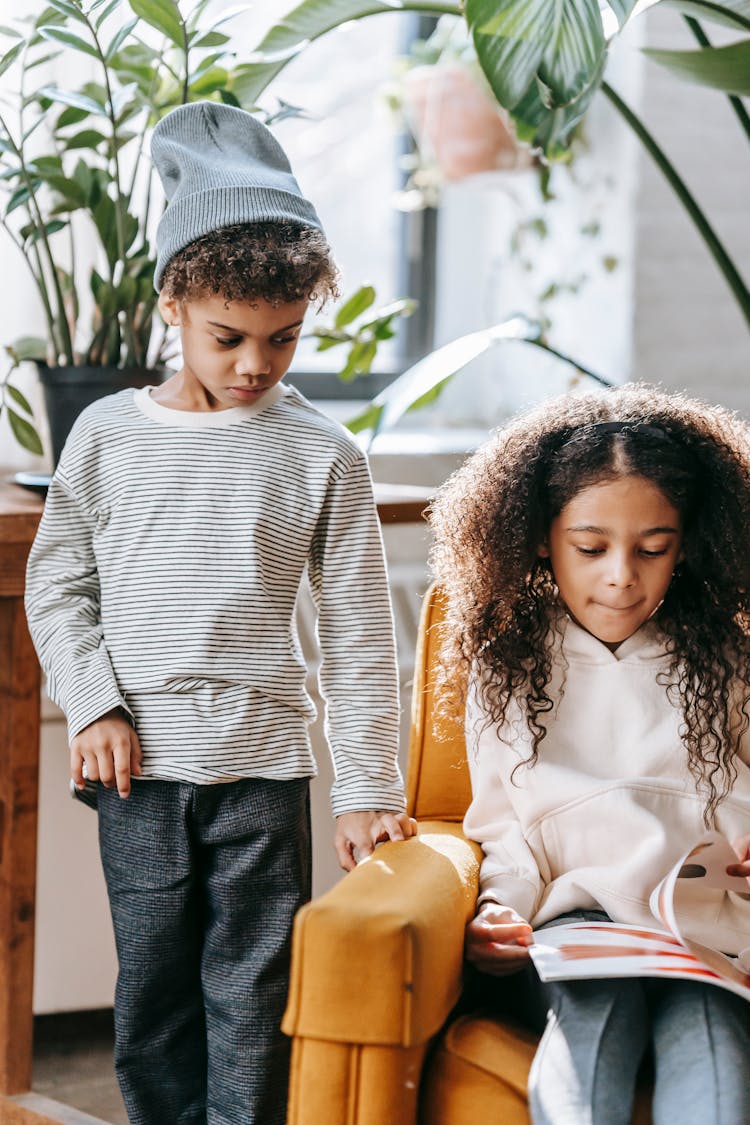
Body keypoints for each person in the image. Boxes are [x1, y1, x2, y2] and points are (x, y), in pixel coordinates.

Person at [25, 101, 415, 1125]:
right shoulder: (106, 438)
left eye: (283, 341)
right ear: (174, 305)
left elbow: (362, 635)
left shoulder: (324, 456)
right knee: (153, 1000)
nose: (256, 365)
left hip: (264, 774)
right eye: (228, 337)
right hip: (138, 773)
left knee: (253, 995)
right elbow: (59, 585)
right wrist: (97, 704)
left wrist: (366, 785)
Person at [428, 384, 750, 1125]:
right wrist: (499, 914)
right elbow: (504, 825)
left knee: (712, 1028)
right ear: (543, 536)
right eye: (591, 547)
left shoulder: (728, 654)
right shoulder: (508, 661)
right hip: (579, 924)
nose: (621, 575)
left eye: (654, 548)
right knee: (596, 1012)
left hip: (702, 924)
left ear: (688, 542)